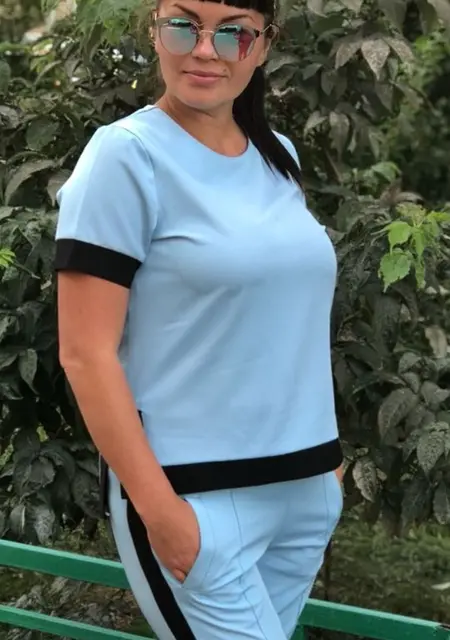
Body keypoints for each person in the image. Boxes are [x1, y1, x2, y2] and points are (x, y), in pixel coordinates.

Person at [54, 0, 344, 636]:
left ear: (263, 45)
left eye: (235, 32)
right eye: (185, 25)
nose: (207, 50)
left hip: (304, 493)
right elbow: (84, 353)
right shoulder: (125, 156)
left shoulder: (279, 156)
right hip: (194, 497)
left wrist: (327, 470)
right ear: (155, 30)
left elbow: (287, 315)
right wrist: (158, 510)